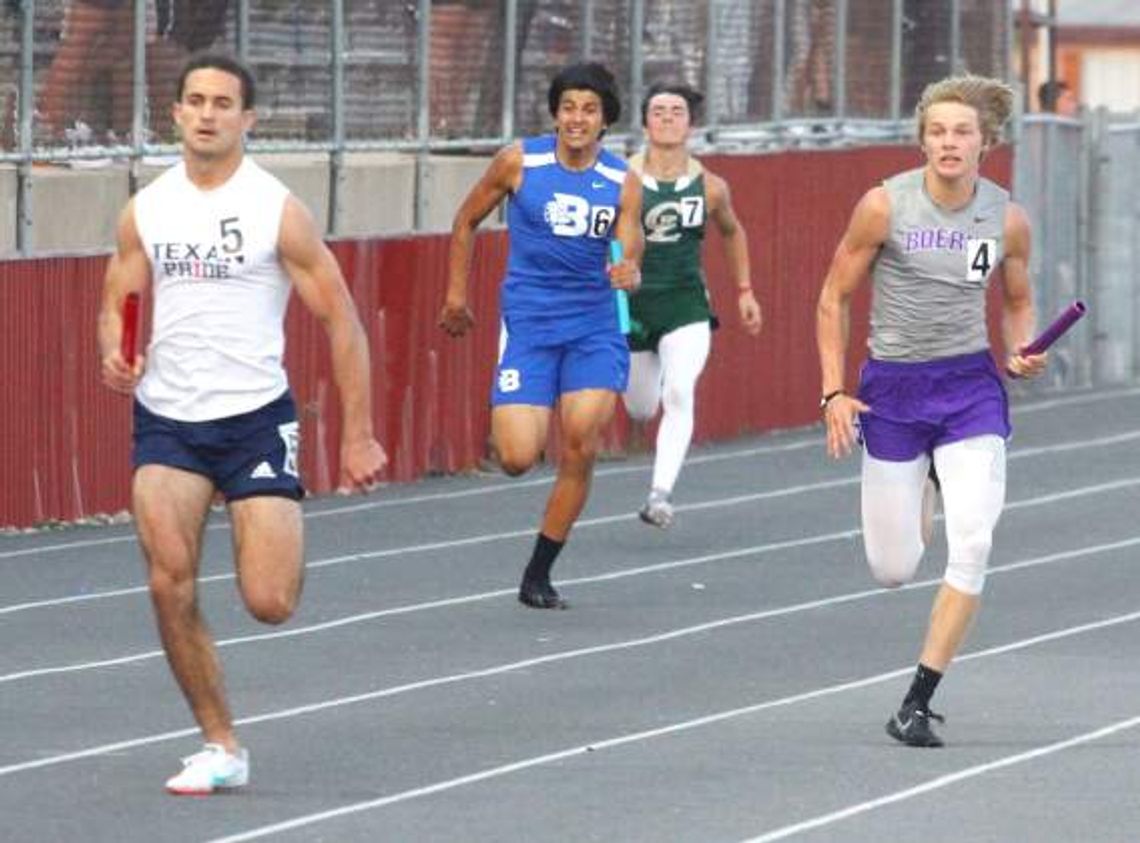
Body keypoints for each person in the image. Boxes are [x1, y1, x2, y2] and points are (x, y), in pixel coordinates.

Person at [98, 53, 386, 794]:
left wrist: (357, 433)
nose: (206, 114)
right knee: (169, 583)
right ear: (176, 113)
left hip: (256, 417)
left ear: (247, 119)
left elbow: (343, 322)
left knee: (269, 601)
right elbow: (118, 296)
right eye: (194, 100)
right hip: (169, 418)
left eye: (223, 103)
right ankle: (220, 741)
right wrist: (115, 353)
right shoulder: (147, 207)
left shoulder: (276, 209)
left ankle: (270, 523)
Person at [815, 74, 1048, 747]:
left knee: (973, 538)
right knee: (892, 568)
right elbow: (833, 297)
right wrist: (834, 392)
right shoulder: (884, 206)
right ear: (922, 139)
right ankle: (927, 478)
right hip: (892, 390)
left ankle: (917, 699)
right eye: (938, 131)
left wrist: (1022, 350)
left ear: (985, 143)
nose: (949, 143)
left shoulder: (1006, 218)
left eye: (962, 132)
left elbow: (1014, 301)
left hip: (969, 388)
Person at [439, 61, 642, 610]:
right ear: (555, 113)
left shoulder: (622, 180)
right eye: (569, 107)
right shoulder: (518, 161)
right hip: (528, 326)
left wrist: (630, 271)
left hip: (594, 328)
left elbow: (630, 244)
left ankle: (538, 573)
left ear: (605, 122)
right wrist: (456, 296)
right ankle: (519, 410)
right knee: (517, 457)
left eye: (590, 110)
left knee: (579, 440)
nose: (577, 118)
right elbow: (464, 222)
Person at [622, 81, 762, 527]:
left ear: (691, 124)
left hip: (685, 304)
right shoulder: (620, 179)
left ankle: (659, 495)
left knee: (680, 392)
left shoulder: (711, 187)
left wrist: (744, 290)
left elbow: (733, 231)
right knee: (641, 408)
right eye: (658, 110)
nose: (666, 118)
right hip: (633, 306)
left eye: (676, 111)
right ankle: (652, 368)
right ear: (644, 122)